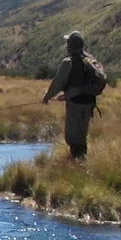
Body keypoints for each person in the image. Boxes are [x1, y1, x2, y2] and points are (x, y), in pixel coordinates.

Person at [40, 31, 108, 161]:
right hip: (89, 103)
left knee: (72, 137)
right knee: (82, 136)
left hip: (75, 104)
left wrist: (46, 98)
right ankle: (82, 162)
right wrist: (66, 95)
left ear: (71, 45)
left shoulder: (69, 62)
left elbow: (57, 83)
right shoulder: (90, 60)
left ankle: (77, 165)